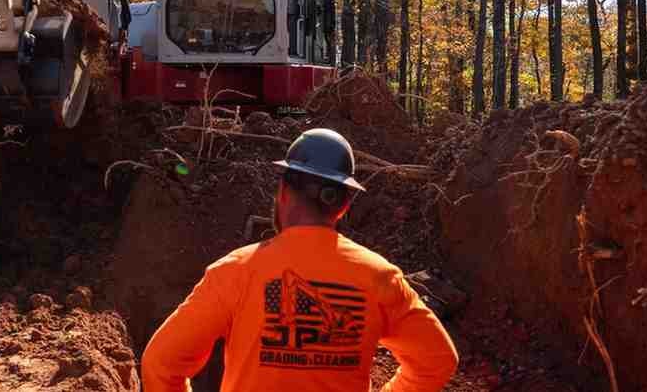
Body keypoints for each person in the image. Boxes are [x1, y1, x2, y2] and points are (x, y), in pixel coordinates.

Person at [141, 128, 459, 392]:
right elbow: (438, 361)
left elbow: (160, 363)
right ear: (344, 206)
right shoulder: (379, 277)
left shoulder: (235, 272)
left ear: (282, 191)